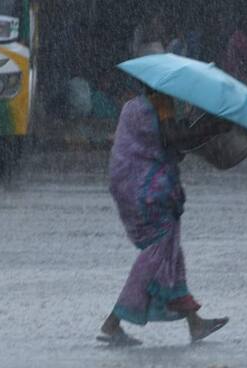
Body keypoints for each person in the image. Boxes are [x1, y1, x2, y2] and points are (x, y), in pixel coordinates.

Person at [98, 87, 232, 346]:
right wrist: (212, 127)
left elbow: (164, 142)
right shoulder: (160, 104)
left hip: (129, 182)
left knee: (170, 253)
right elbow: (175, 140)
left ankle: (195, 323)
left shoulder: (133, 106)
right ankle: (112, 323)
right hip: (147, 187)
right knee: (157, 251)